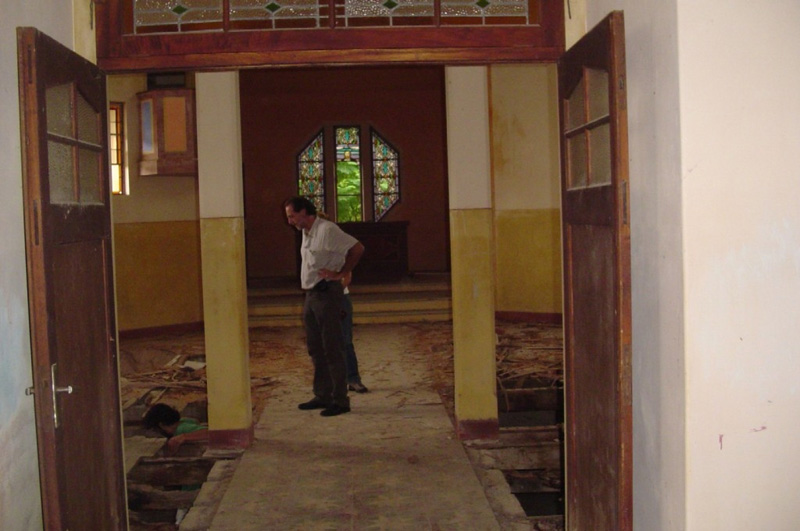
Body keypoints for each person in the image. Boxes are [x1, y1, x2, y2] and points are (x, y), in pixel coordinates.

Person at [284, 196, 365, 417]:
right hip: (311, 295)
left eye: (292, 216)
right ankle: (322, 395)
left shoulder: (327, 229)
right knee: (315, 347)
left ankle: (340, 400)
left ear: (304, 212)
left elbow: (357, 248)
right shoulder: (306, 232)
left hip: (327, 293)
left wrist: (342, 273)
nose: (290, 221)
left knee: (332, 347)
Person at [341, 271, 368, 393]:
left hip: (339, 296)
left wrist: (335, 291)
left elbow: (347, 275)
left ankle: (353, 378)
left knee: (345, 340)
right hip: (319, 298)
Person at [142, 403, 208, 453]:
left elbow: (209, 433)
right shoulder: (182, 421)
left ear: (161, 425)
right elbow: (195, 421)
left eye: (156, 430)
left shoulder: (182, 428)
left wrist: (184, 437)